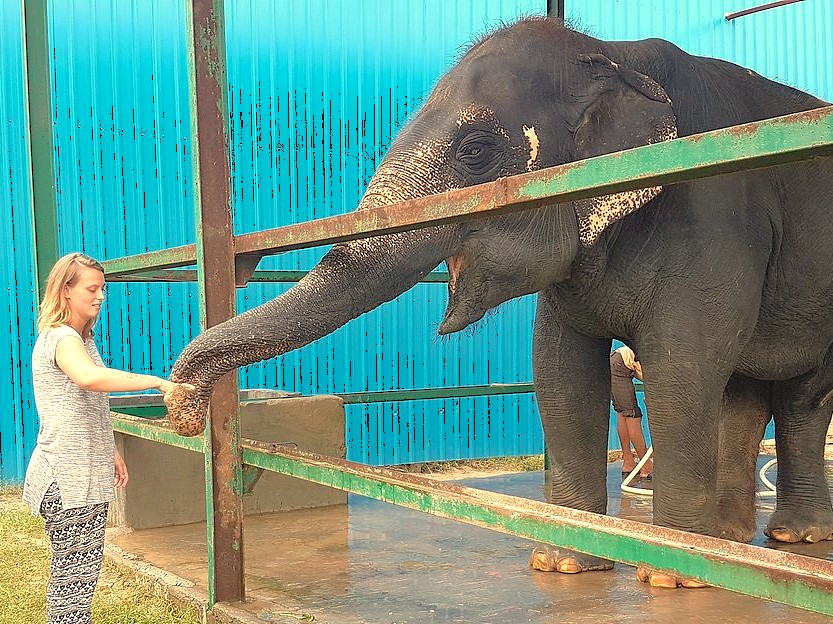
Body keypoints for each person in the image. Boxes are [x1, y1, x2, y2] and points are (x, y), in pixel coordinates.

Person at [21, 252, 193, 624]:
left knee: (79, 576)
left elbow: (83, 405)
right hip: (67, 479)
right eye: (91, 288)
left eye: (103, 289)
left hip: (82, 472)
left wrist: (109, 449)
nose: (100, 296)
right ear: (66, 291)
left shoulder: (83, 339)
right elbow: (89, 379)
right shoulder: (64, 338)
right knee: (73, 580)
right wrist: (156, 381)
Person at [610, 345, 653, 480]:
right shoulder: (665, 367)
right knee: (632, 415)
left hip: (616, 361)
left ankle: (628, 463)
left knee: (623, 413)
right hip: (620, 364)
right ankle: (646, 467)